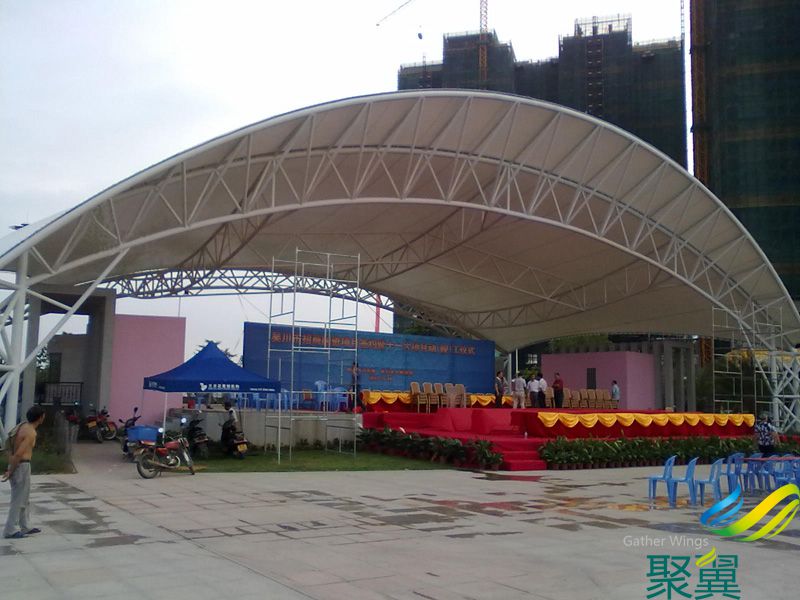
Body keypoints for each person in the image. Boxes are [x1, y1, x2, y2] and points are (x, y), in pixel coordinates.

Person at [3, 405, 46, 539]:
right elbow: (19, 454)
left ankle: (25, 526)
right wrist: (10, 470)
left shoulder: (23, 426)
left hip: (19, 465)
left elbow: (9, 447)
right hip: (21, 466)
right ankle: (10, 530)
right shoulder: (30, 432)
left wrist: (10, 466)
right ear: (40, 418)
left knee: (24, 498)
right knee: (18, 500)